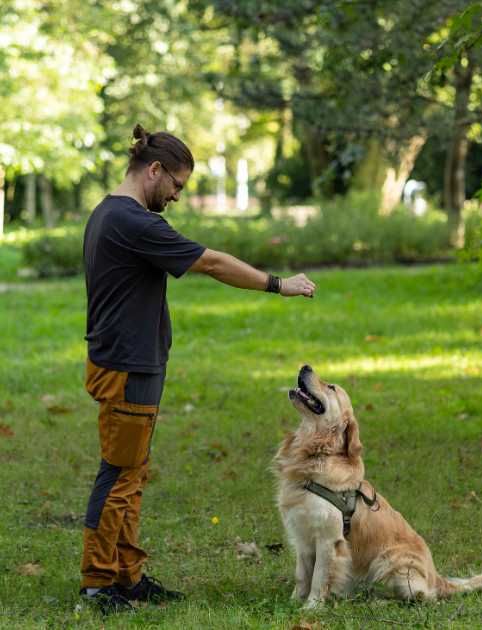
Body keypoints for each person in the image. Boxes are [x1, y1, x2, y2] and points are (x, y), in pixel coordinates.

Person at [79, 124, 317, 614]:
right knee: (119, 475)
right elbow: (211, 263)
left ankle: (126, 576)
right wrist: (278, 284)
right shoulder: (133, 221)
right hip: (128, 365)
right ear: (154, 170)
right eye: (177, 185)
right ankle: (98, 583)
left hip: (127, 360)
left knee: (131, 474)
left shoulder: (108, 212)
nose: (177, 196)